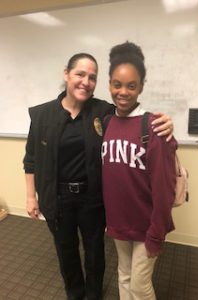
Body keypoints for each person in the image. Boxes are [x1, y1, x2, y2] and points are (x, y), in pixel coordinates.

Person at [23, 52, 174, 300]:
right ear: (66, 74)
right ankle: (75, 293)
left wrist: (166, 122)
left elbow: (134, 114)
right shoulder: (41, 115)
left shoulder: (104, 111)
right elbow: (30, 160)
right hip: (57, 198)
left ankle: (93, 295)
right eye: (80, 74)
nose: (85, 82)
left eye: (92, 77)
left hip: (92, 199)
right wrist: (31, 197)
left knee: (95, 252)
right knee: (66, 251)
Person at [102, 41, 177, 300]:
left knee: (139, 286)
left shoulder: (154, 126)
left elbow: (164, 188)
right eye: (117, 84)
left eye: (131, 86)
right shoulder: (107, 121)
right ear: (109, 84)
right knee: (123, 275)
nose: (123, 92)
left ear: (141, 87)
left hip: (147, 225)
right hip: (118, 222)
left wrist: (157, 232)